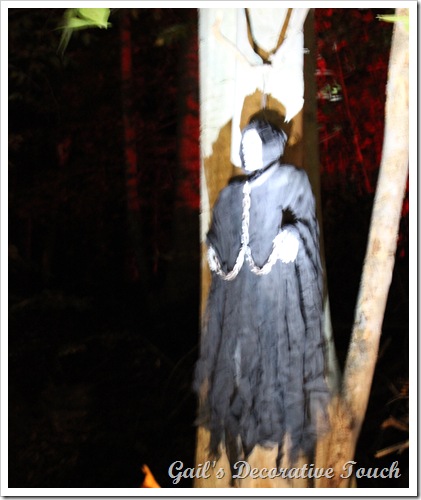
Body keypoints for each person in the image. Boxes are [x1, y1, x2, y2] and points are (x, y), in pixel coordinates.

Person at [194, 118, 330, 473]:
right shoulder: (231, 193)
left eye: (252, 145)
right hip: (239, 301)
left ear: (271, 147)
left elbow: (308, 226)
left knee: (278, 363)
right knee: (239, 365)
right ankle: (240, 437)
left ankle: (281, 440)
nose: (244, 151)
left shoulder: (291, 181)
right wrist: (214, 250)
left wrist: (295, 237)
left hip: (277, 298)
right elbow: (218, 231)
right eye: (243, 146)